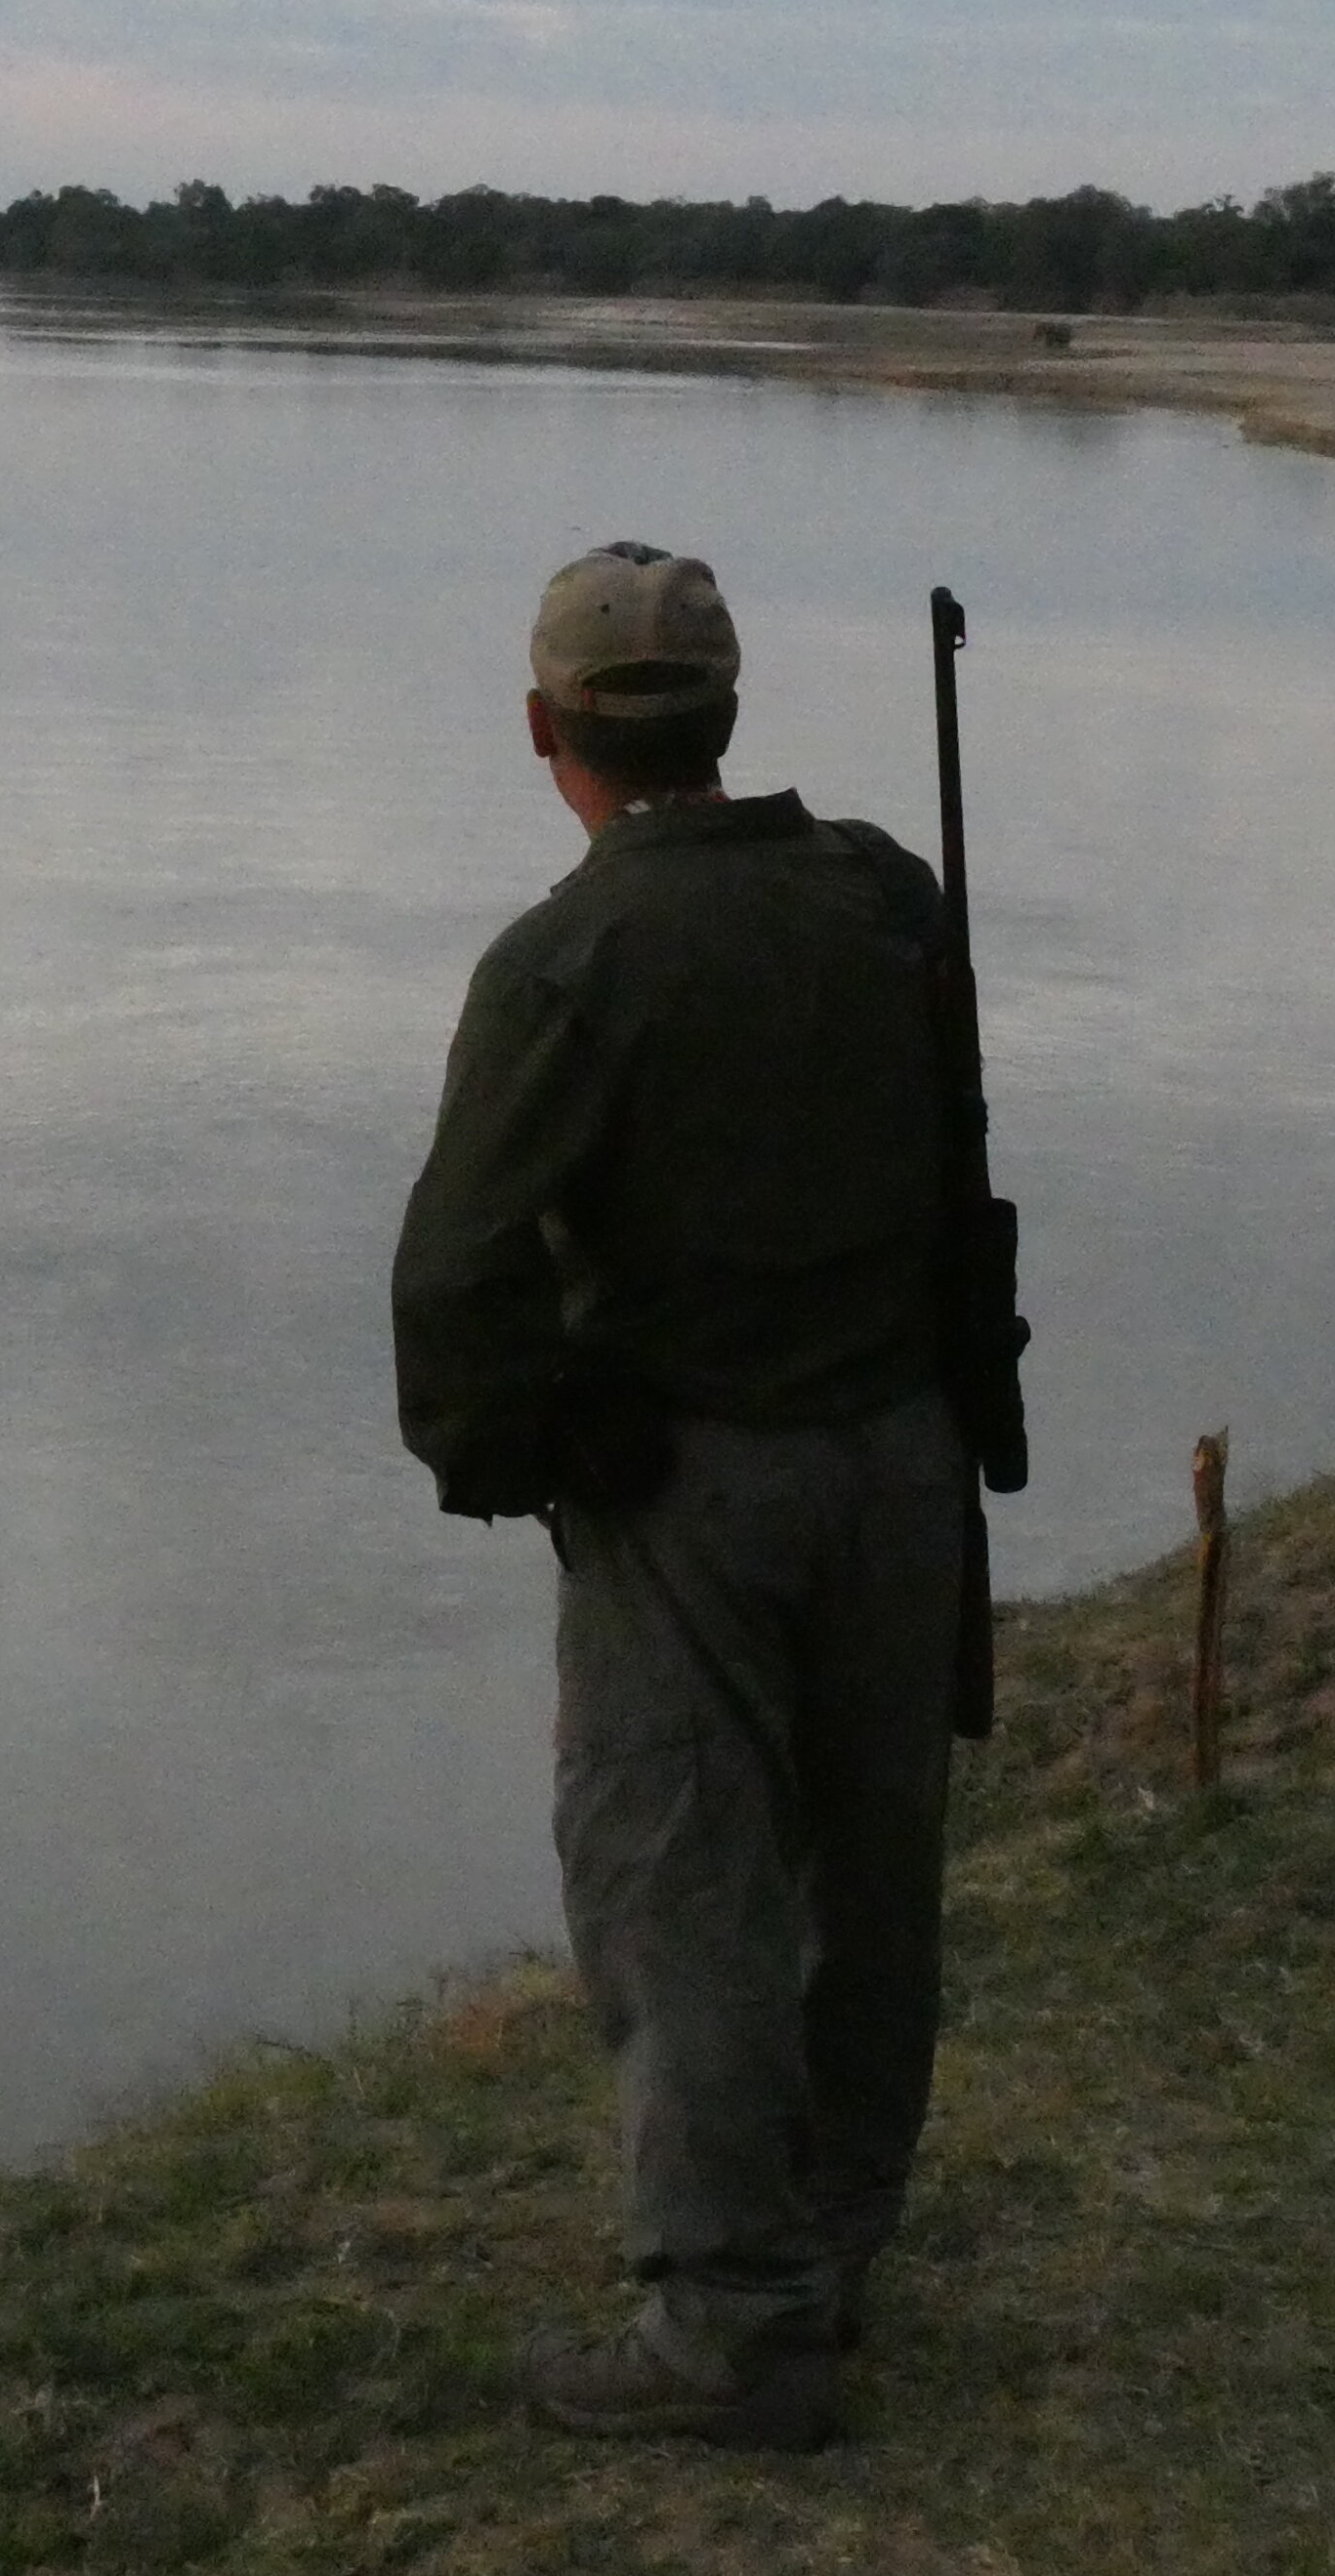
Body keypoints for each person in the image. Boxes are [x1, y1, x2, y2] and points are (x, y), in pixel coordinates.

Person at [391, 541, 973, 2454]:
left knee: (683, 1894)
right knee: (869, 1877)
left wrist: (538, 1459)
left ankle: (732, 2330)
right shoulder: (886, 894)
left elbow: (455, 1282)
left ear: (545, 730)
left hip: (693, 1486)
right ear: (728, 717)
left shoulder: (566, 959)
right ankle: (827, 2255)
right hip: (905, 1459)